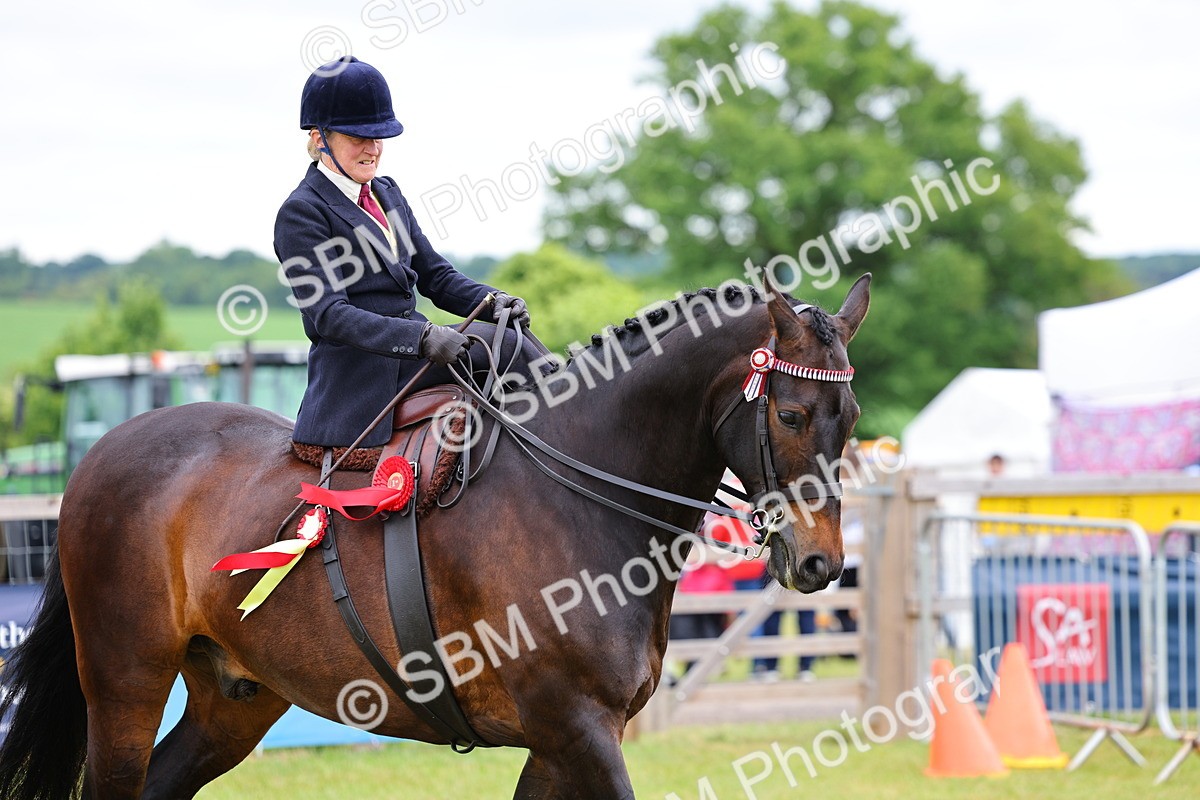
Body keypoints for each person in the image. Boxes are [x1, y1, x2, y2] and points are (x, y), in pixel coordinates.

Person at [275, 56, 539, 448]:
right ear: (319, 138)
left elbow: (435, 275)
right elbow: (330, 316)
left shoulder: (386, 193)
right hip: (361, 372)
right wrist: (422, 337)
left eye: (377, 137)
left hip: (415, 353)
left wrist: (491, 301)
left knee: (512, 335)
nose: (372, 150)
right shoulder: (301, 213)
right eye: (357, 138)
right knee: (503, 349)